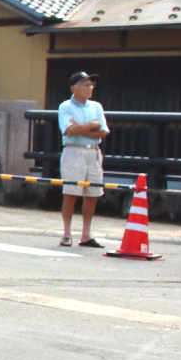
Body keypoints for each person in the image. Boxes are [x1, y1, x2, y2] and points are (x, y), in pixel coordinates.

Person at [57, 71, 109, 248]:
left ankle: (86, 234)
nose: (90, 88)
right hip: (74, 151)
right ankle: (66, 233)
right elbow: (68, 130)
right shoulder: (65, 106)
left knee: (92, 194)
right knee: (71, 193)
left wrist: (81, 128)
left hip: (93, 151)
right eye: (86, 84)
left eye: (91, 85)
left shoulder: (96, 106)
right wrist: (91, 127)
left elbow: (103, 132)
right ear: (74, 88)